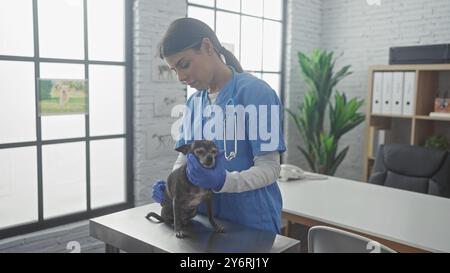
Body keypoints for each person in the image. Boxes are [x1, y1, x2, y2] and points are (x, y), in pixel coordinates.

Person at [152, 17, 286, 234]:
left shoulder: (256, 94)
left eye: (184, 64)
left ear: (207, 47)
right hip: (203, 223)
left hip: (250, 225)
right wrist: (174, 187)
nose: (181, 76)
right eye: (174, 70)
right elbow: (183, 158)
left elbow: (270, 168)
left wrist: (224, 181)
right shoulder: (194, 103)